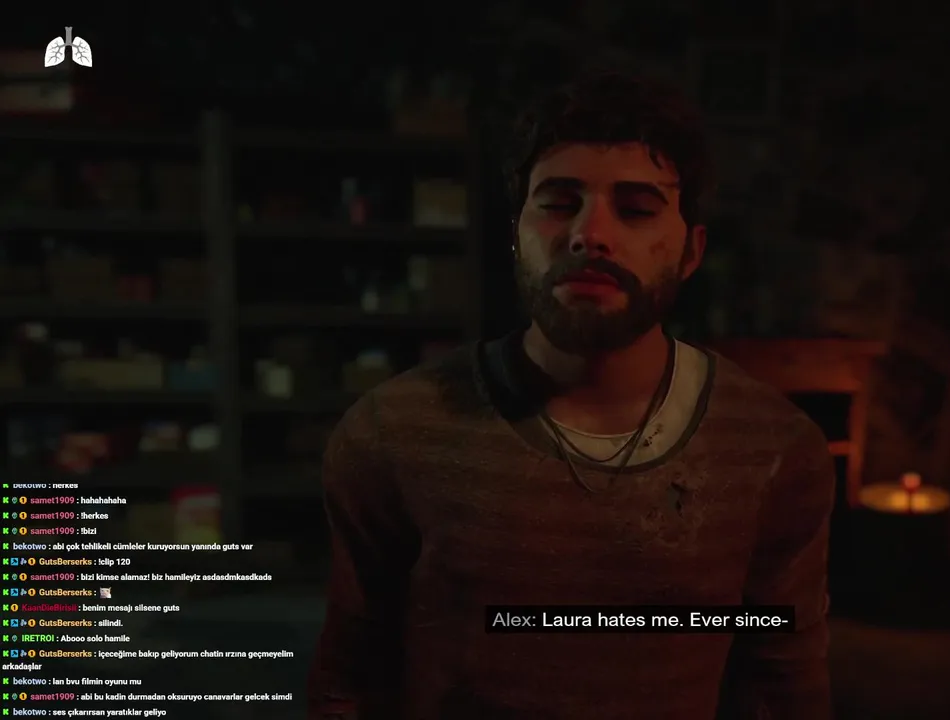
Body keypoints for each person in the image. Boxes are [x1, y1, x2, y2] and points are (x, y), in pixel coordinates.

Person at [307, 71, 834, 719]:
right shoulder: (394, 432)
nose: (591, 234)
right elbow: (348, 682)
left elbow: (783, 685)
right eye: (559, 203)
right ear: (516, 234)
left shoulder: (772, 450)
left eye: (636, 210)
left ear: (691, 251)